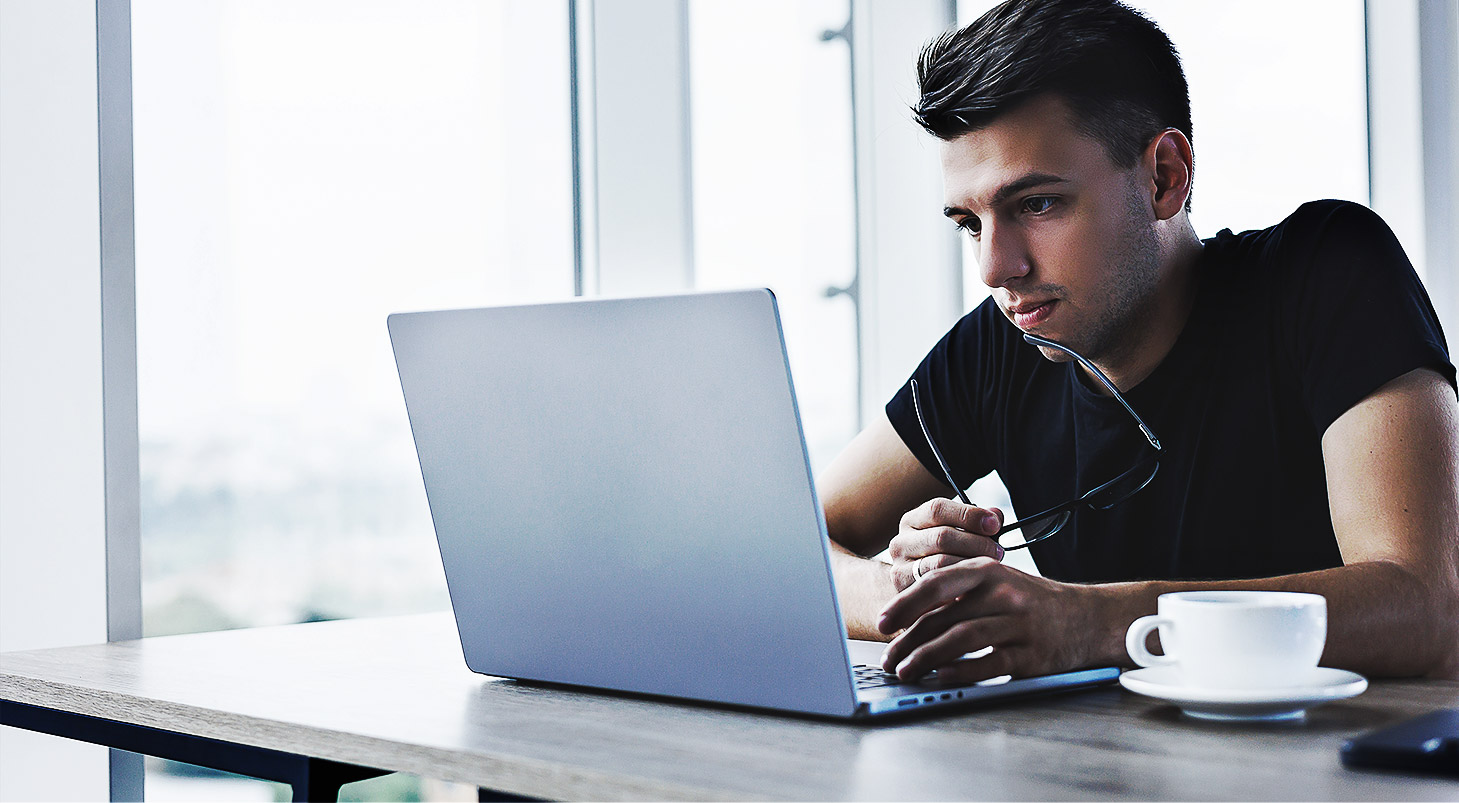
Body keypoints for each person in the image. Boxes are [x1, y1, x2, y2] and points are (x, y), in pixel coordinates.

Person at [818, 0, 1459, 682]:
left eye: (1036, 204)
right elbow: (798, 545)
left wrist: (1089, 621)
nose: (994, 268)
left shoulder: (1326, 272)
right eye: (969, 223)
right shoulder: (1001, 343)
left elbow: (1425, 607)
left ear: (1164, 176)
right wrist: (926, 590)